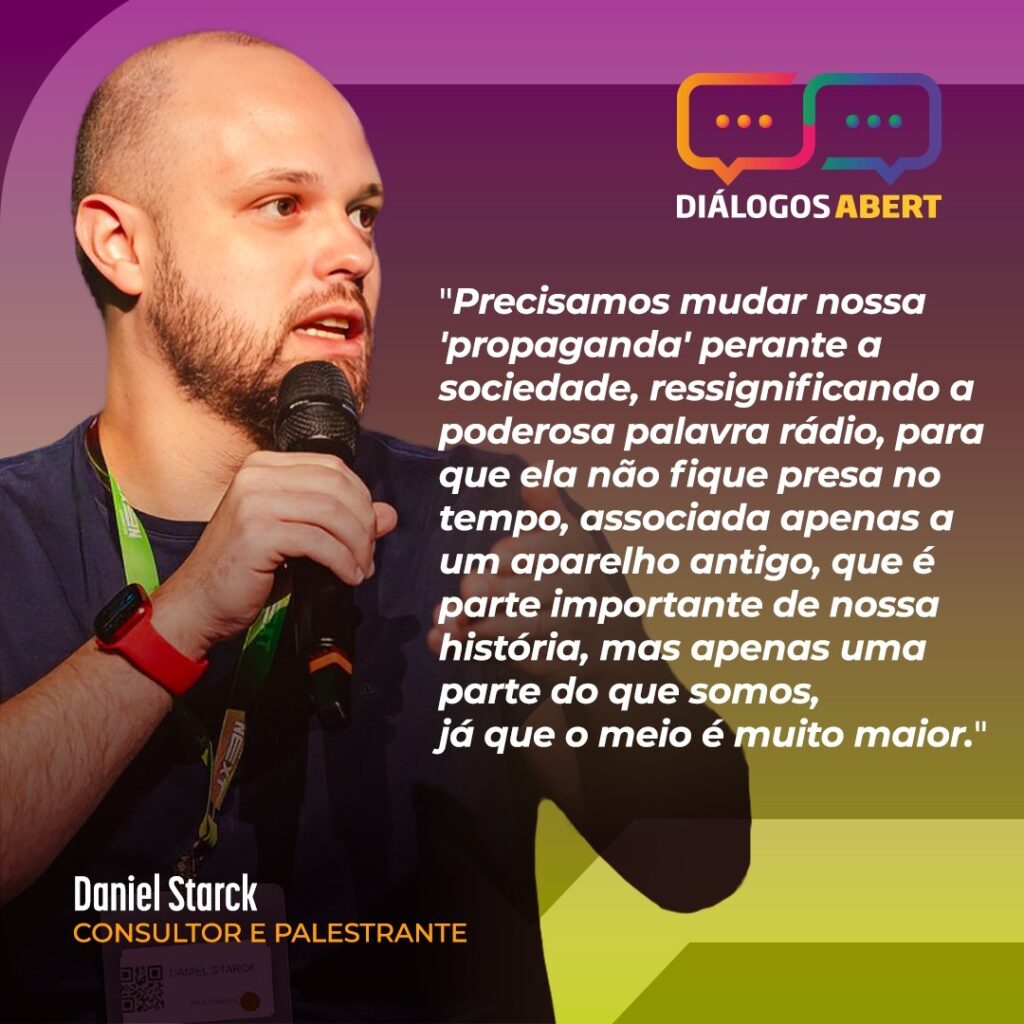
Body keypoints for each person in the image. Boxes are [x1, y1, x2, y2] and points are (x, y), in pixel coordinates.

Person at [0, 31, 749, 1022]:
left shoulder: (492, 522)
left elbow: (697, 868)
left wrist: (594, 668)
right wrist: (180, 618)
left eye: (363, 214)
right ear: (121, 246)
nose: (353, 252)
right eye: (282, 205)